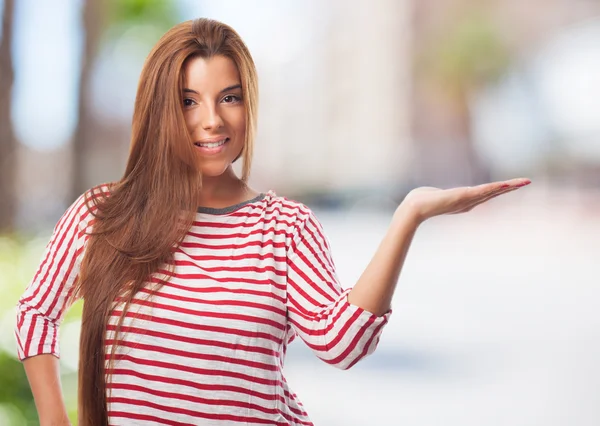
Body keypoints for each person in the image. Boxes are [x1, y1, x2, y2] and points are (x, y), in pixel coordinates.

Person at [14, 18, 530, 426]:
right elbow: (36, 313)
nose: (212, 119)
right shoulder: (103, 215)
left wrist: (408, 216)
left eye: (229, 98)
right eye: (188, 101)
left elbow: (342, 343)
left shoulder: (284, 227)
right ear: (159, 110)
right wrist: (56, 420)